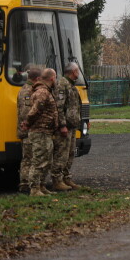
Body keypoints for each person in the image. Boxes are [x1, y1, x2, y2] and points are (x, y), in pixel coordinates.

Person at [26, 68, 68, 197]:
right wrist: (27, 122)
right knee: (39, 161)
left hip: (46, 131)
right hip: (40, 131)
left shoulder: (46, 91)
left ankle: (41, 186)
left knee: (47, 160)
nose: (56, 80)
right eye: (55, 78)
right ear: (52, 78)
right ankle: (34, 189)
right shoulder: (42, 92)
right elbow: (34, 111)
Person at [51, 62, 82, 191]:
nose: (78, 73)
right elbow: (59, 107)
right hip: (64, 127)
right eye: (77, 70)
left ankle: (66, 178)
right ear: (73, 72)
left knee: (70, 153)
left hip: (72, 126)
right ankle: (57, 180)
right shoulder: (62, 84)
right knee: (61, 154)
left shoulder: (71, 85)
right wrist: (62, 125)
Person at [16, 65, 41, 193]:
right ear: (37, 78)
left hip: (29, 130)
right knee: (28, 158)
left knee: (31, 158)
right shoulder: (27, 91)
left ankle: (28, 183)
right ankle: (25, 184)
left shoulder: (29, 89)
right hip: (27, 131)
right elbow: (26, 113)